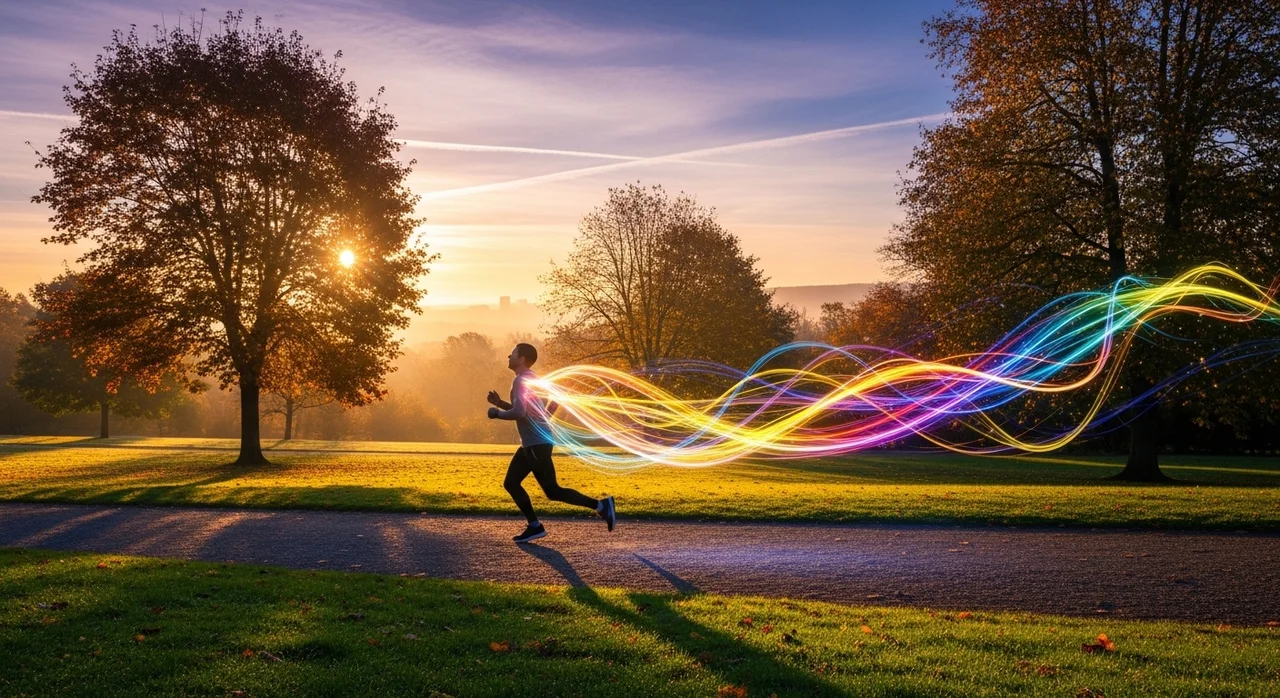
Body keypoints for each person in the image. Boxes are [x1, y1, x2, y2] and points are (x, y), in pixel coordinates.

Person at [487, 343, 616, 543]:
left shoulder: (521, 381)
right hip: (535, 443)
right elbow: (543, 409)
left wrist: (498, 414)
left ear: (522, 359)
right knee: (520, 484)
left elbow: (520, 412)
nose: (508, 356)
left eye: (512, 353)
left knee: (549, 489)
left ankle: (601, 506)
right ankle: (535, 526)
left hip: (536, 444)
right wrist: (500, 403)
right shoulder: (534, 379)